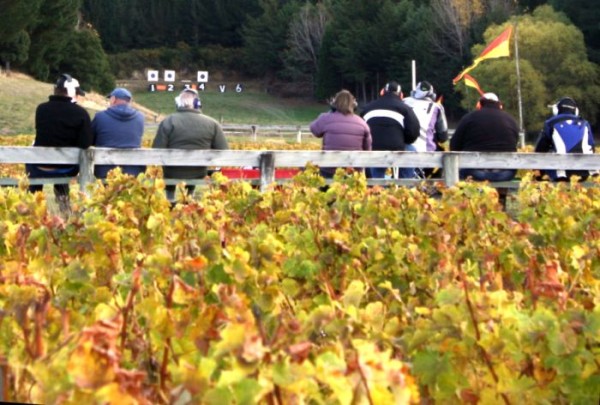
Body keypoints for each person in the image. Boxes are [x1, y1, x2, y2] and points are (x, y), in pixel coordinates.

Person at [26, 73, 92, 210]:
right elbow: (85, 144)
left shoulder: (42, 109)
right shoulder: (80, 113)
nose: (78, 97)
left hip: (39, 167)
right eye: (77, 93)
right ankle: (64, 205)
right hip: (66, 168)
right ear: (72, 92)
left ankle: (33, 202)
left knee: (37, 158)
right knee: (63, 161)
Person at [152, 88, 228, 201]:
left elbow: (156, 150)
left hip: (172, 173)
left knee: (169, 173)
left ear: (178, 103)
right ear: (198, 104)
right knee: (195, 174)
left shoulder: (168, 121)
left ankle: (170, 199)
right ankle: (190, 198)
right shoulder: (212, 124)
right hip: (198, 173)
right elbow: (223, 150)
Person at [450, 92, 519, 181]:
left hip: (474, 172)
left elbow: (454, 146)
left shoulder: (469, 118)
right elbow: (514, 143)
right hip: (505, 173)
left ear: (480, 104)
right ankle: (501, 195)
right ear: (499, 104)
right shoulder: (511, 120)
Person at [360, 81, 420, 178]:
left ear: (382, 92)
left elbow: (360, 131)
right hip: (396, 148)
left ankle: (376, 186)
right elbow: (413, 133)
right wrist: (402, 140)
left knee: (375, 161)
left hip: (373, 148)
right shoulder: (405, 109)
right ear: (401, 95)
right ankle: (405, 184)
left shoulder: (367, 108)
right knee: (411, 149)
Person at [309, 89, 372, 178]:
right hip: (354, 171)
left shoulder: (326, 118)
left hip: (330, 170)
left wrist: (329, 113)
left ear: (334, 105)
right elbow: (367, 149)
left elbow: (314, 130)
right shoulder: (362, 123)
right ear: (354, 105)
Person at [534, 97, 596, 181]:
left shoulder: (550, 123)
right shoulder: (585, 123)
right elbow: (592, 147)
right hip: (585, 172)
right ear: (576, 111)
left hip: (561, 172)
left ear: (556, 110)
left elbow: (540, 149)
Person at [92, 87, 145, 178]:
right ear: (129, 101)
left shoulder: (100, 117)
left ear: (113, 99)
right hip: (132, 172)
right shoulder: (140, 118)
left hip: (105, 172)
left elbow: (91, 140)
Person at [403, 81, 448, 177]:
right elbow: (443, 136)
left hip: (402, 149)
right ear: (432, 94)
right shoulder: (437, 107)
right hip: (427, 153)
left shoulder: (404, 102)